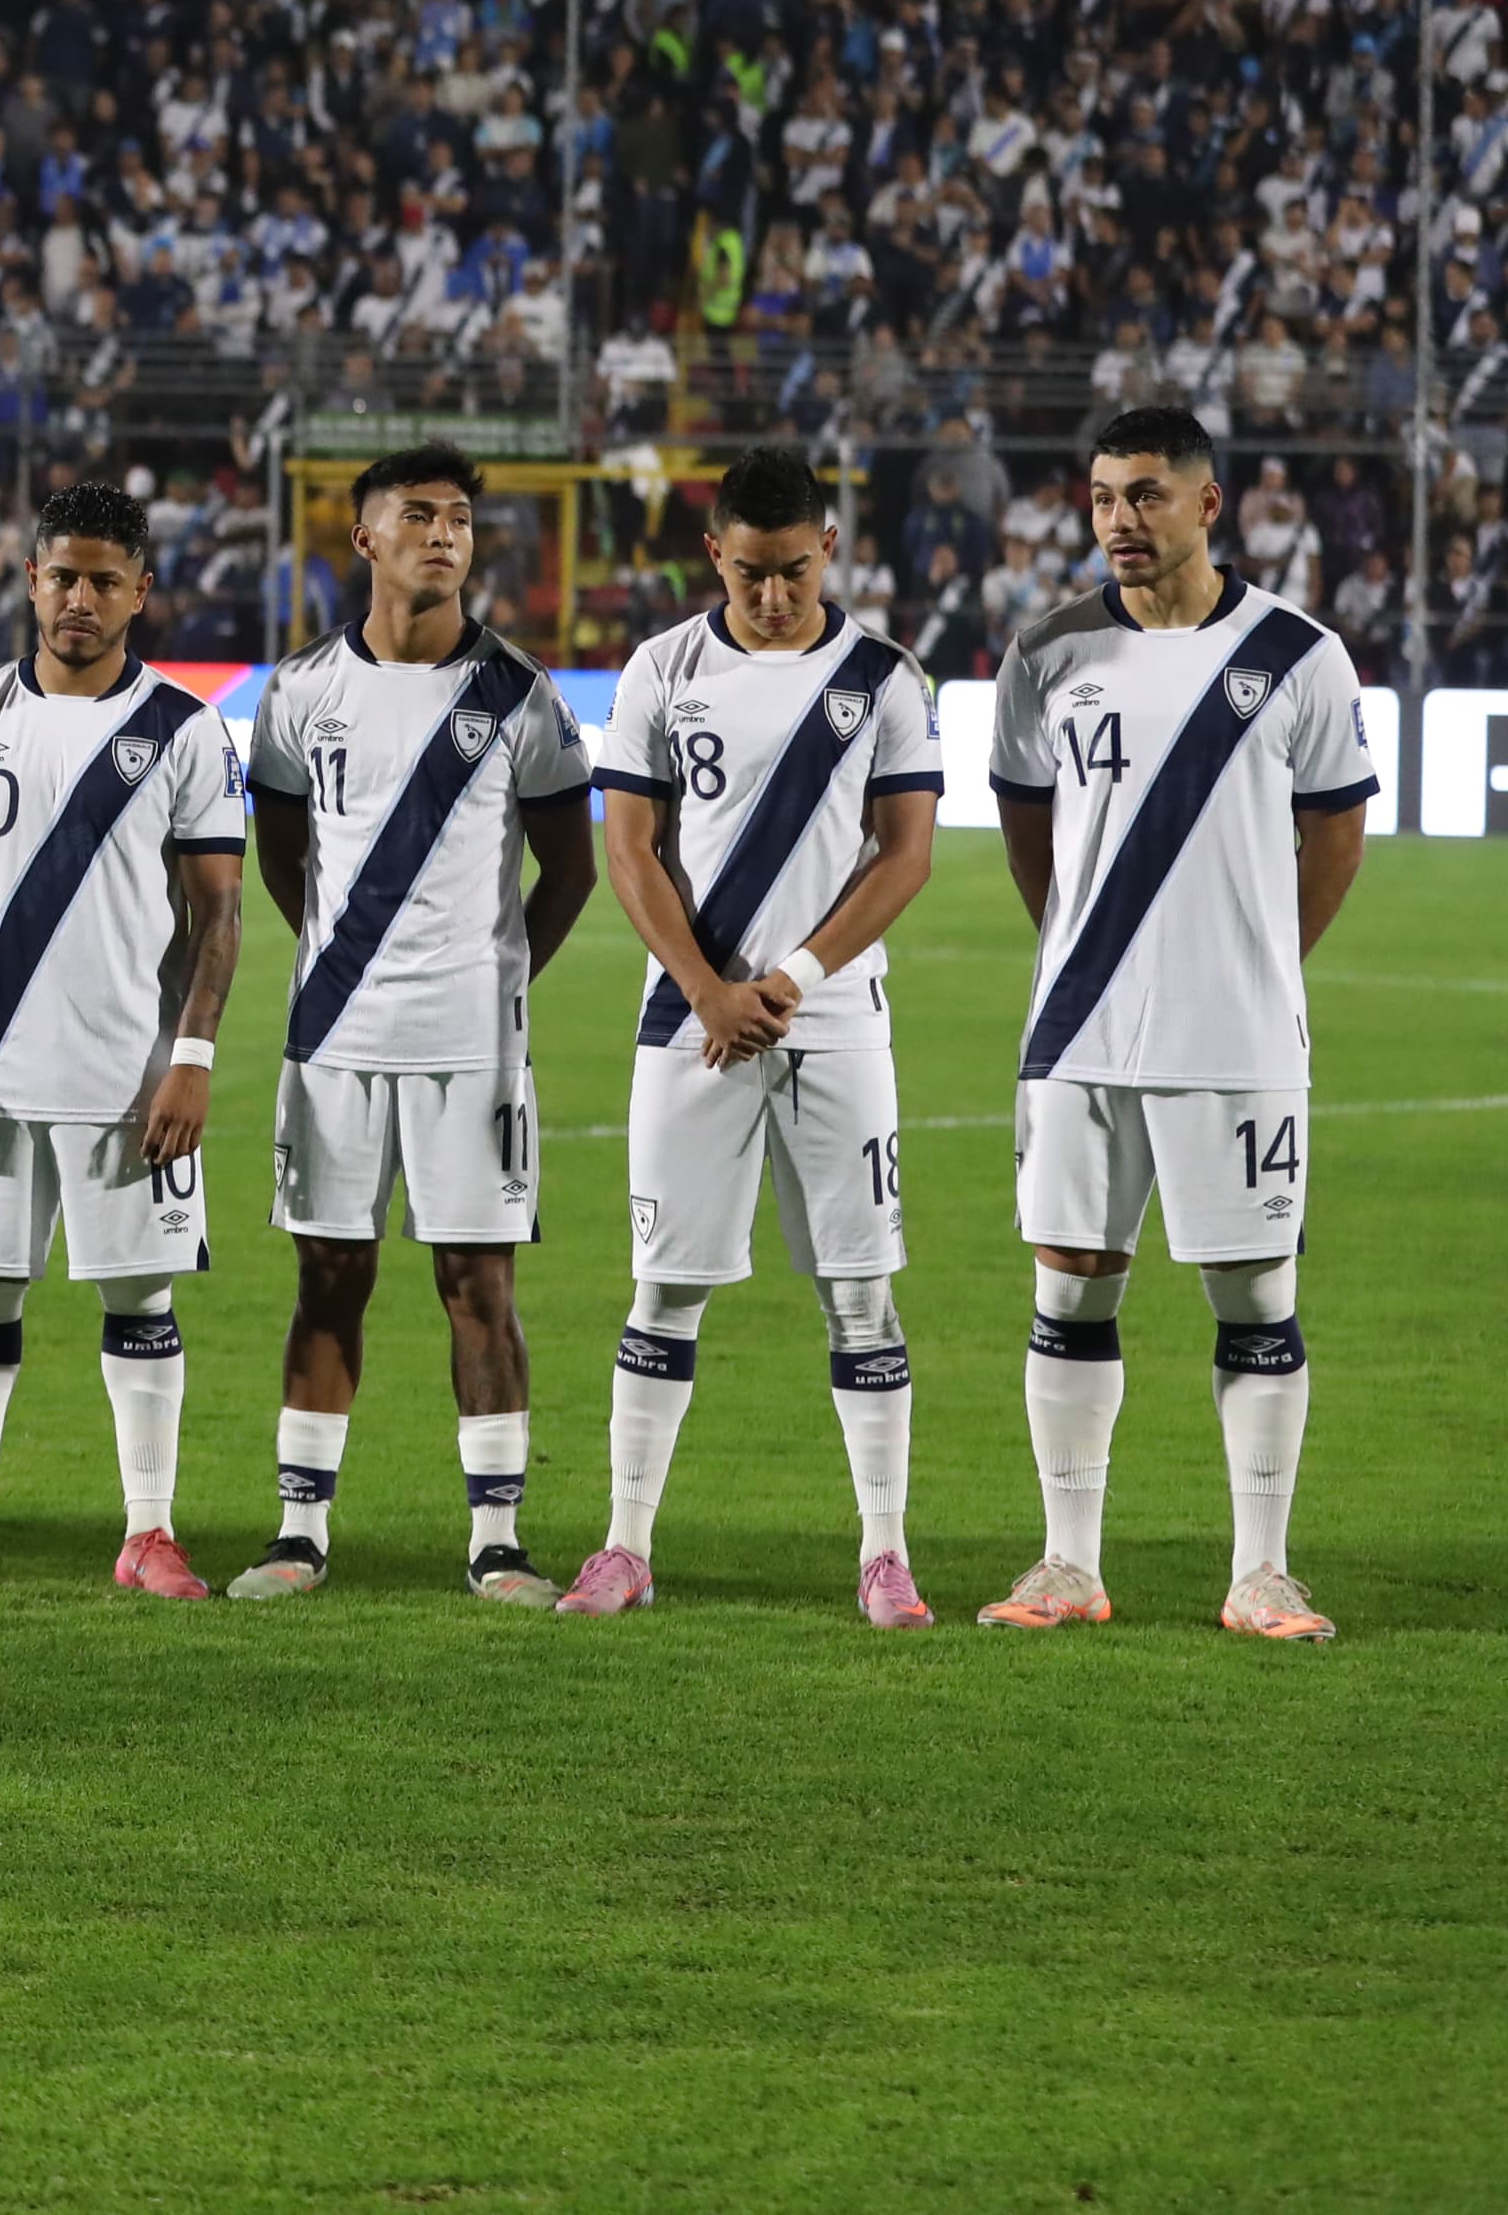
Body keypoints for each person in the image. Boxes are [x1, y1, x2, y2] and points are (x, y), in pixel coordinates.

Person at [984, 404, 1370, 1642]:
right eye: (1100, 497)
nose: (1116, 520)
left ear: (1209, 505)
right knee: (1070, 1287)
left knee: (1252, 1292)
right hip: (1078, 1034)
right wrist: (1083, 956)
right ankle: (1065, 1561)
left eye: (1143, 495)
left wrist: (1251, 963)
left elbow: (1333, 839)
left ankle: (1260, 1568)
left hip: (1237, 1035)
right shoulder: (1044, 655)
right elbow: (1027, 832)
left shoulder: (1300, 657)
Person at [576, 445, 942, 1625]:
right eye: (747, 575)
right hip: (689, 1026)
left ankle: (883, 1551)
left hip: (833, 1021)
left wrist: (783, 975)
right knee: (663, 1288)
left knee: (859, 1293)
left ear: (826, 547)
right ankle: (625, 1543)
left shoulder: (883, 676)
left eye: (790, 571)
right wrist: (703, 986)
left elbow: (905, 853)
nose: (772, 596)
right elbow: (626, 847)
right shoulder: (657, 669)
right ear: (711, 555)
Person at [238, 442, 598, 1604]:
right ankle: (299, 1532)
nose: (443, 533)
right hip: (333, 1038)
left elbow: (570, 868)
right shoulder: (296, 694)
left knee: (477, 1285)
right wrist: (344, 962)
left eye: (457, 517)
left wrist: (496, 980)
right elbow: (282, 853)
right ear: (364, 538)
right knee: (327, 1276)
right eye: (417, 515)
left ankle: (496, 1539)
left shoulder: (520, 695)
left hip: (471, 1048)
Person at [0, 482, 246, 1595]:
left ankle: (147, 1530)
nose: (77, 597)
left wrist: (189, 1061)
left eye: (102, 579)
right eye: (60, 575)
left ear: (141, 591)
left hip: (128, 1075)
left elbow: (218, 916)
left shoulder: (182, 728)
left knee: (139, 1296)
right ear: (29, 577)